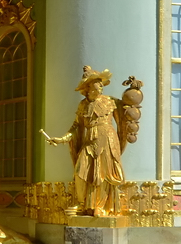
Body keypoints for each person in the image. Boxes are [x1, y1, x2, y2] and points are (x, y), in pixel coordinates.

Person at [43, 66, 130, 216]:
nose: (101, 85)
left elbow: (126, 113)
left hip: (107, 140)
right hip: (89, 141)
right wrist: (62, 139)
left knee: (104, 175)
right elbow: (76, 126)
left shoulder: (109, 101)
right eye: (98, 82)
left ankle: (102, 206)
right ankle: (84, 203)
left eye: (101, 83)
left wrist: (133, 90)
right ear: (88, 86)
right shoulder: (83, 105)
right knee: (80, 171)